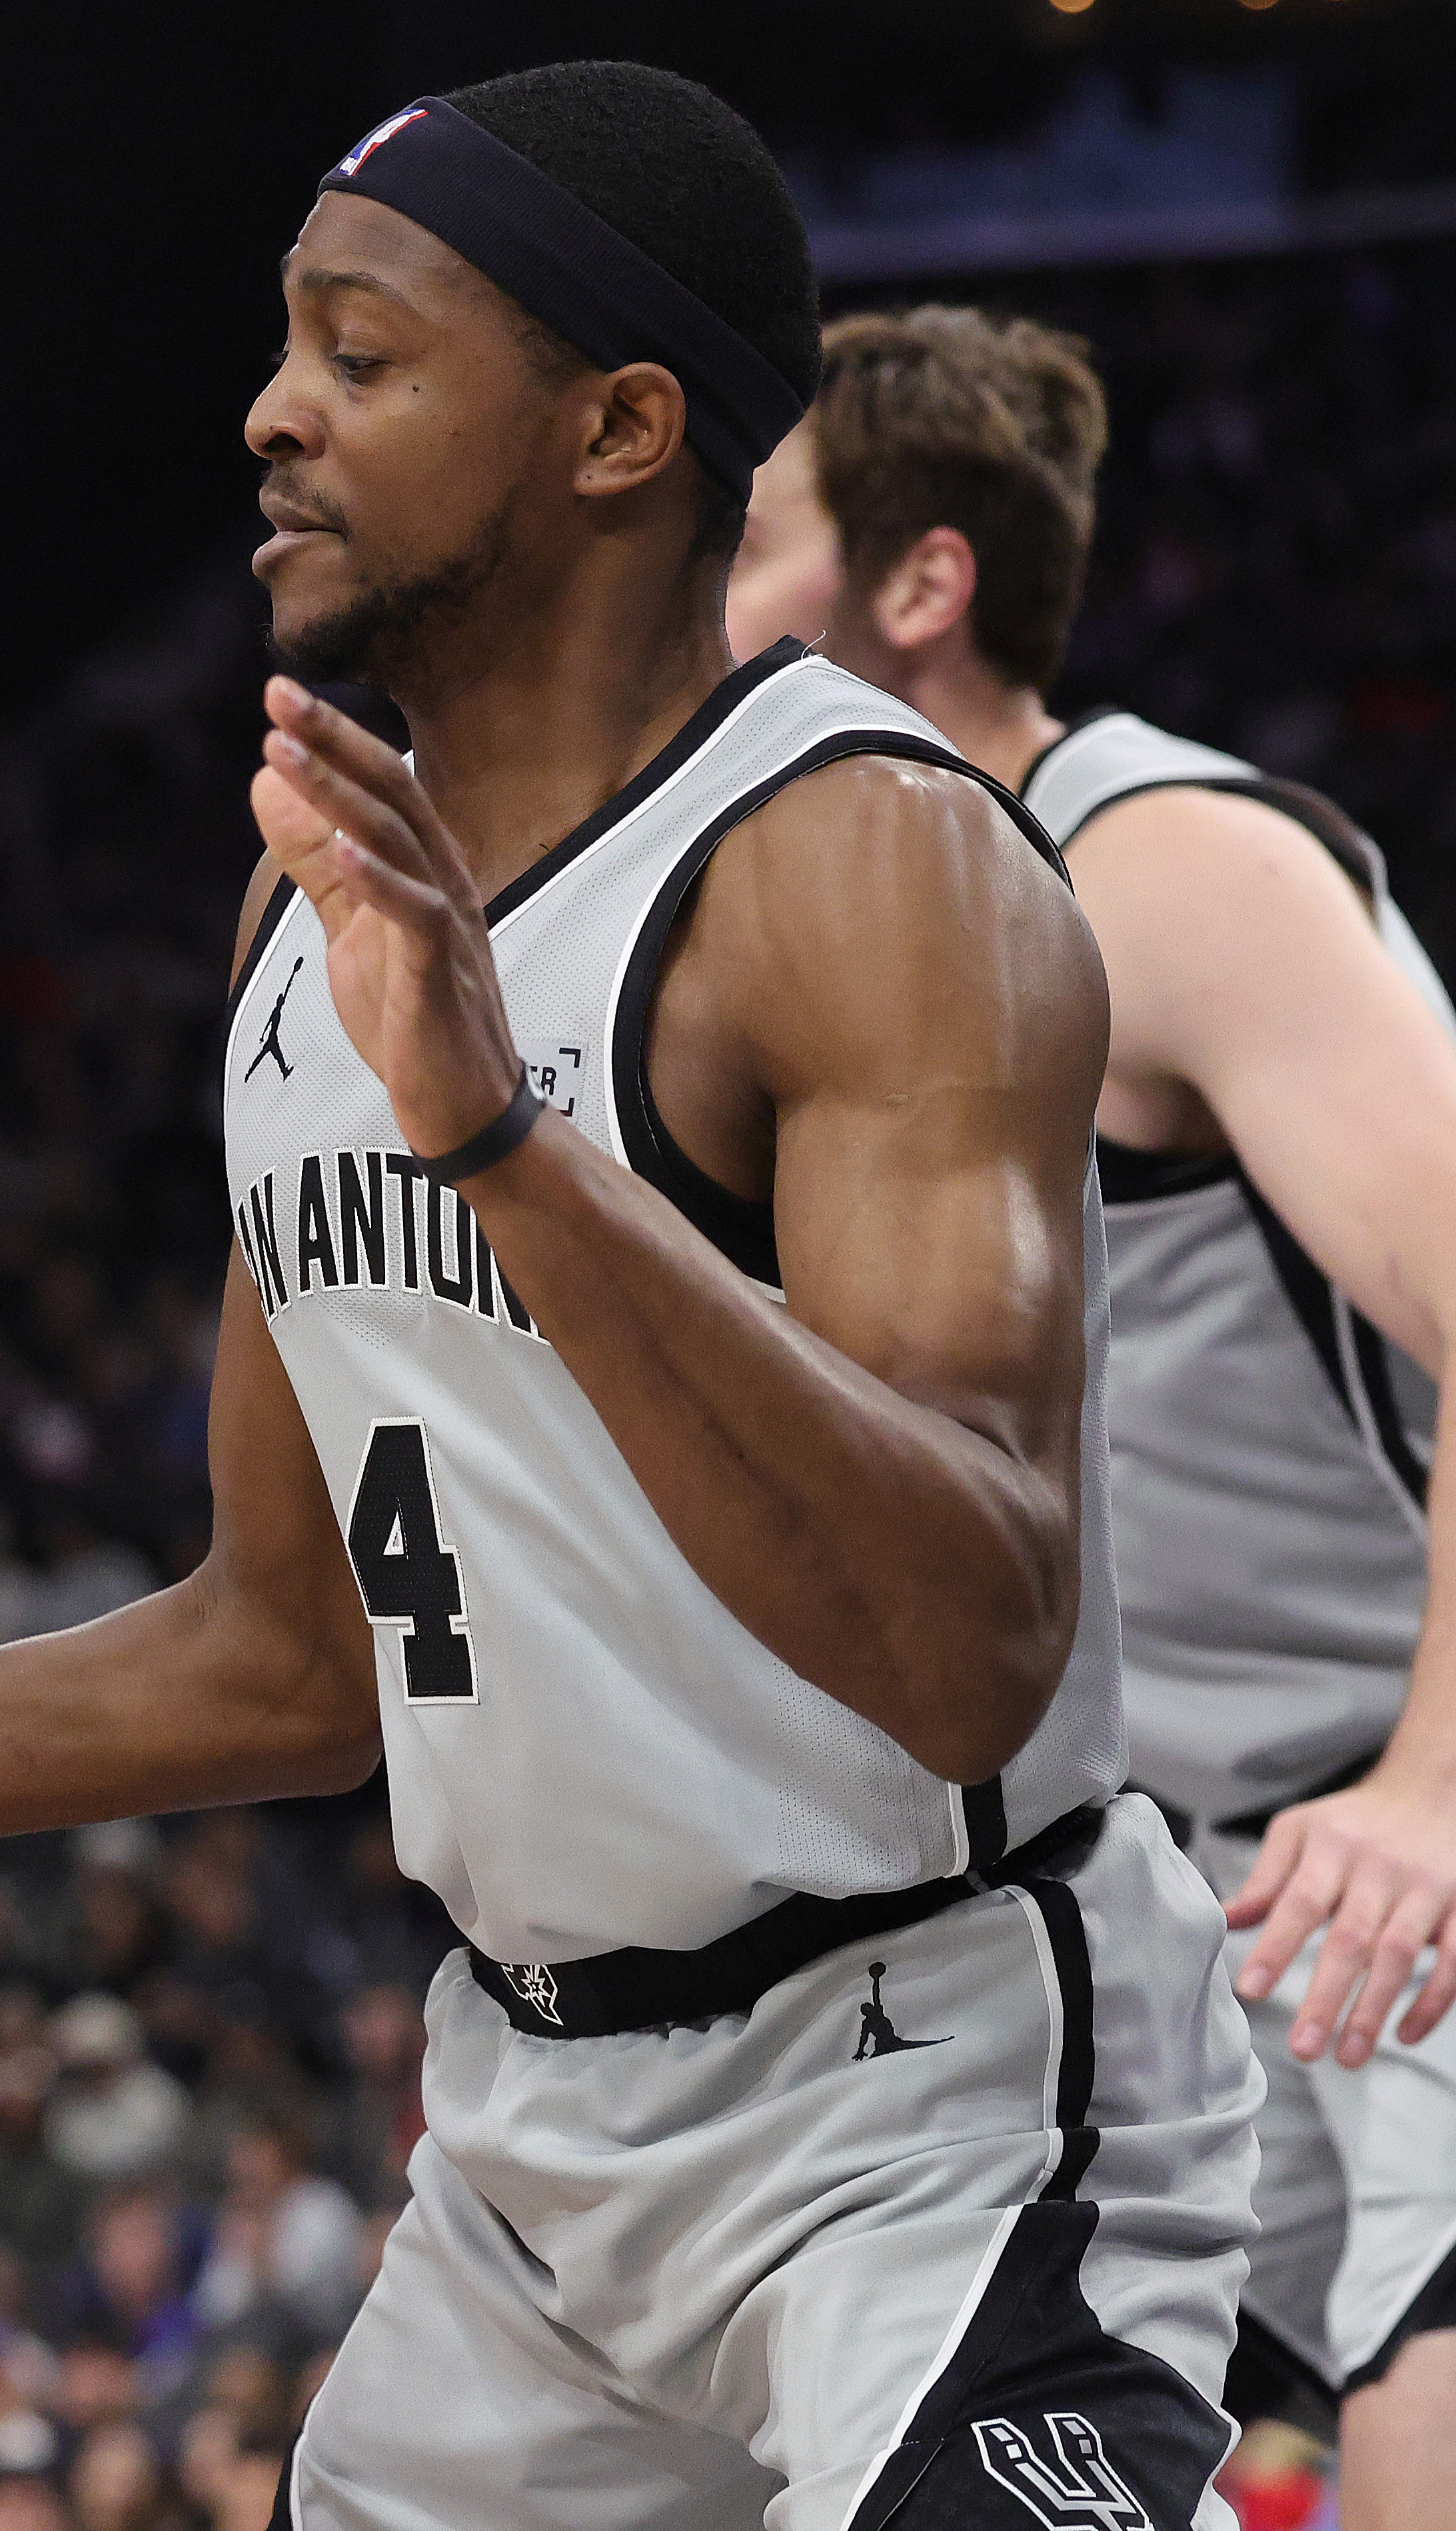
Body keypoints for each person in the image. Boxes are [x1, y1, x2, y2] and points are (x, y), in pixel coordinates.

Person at [0, 62, 1263, 2527]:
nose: (271, 410)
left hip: (931, 2097)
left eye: (360, 355)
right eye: (285, 346)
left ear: (616, 426)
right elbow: (279, 1649)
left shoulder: (871, 868)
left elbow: (973, 1623)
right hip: (534, 2141)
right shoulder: (309, 896)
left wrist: (502, 1141)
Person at [728, 301, 1456, 2526]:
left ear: (917, 589)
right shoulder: (794, 935)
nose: (691, 596)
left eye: (746, 539)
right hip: (1160, 1902)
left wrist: (1434, 1790)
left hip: (1395, 1831)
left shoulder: (1159, 869)